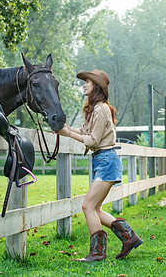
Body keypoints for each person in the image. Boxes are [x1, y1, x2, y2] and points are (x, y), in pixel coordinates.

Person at [56, 69, 143, 262]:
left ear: (96, 86)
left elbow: (93, 140)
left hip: (106, 160)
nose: (84, 85)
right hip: (102, 160)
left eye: (87, 82)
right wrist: (64, 128)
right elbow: (84, 131)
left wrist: (70, 134)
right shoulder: (96, 108)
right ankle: (129, 237)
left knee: (88, 206)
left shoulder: (101, 108)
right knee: (94, 208)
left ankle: (97, 253)